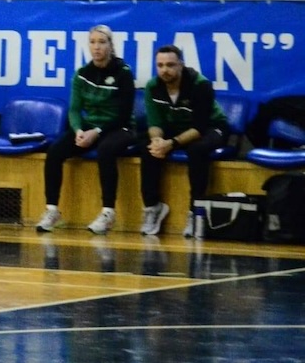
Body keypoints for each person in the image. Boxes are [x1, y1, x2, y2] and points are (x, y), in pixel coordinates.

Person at [35, 25, 137, 235]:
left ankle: (108, 212)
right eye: (92, 42)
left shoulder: (123, 72)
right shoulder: (82, 74)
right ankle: (52, 210)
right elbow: (74, 109)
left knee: (106, 150)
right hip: (90, 127)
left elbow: (124, 114)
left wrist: (96, 132)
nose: (96, 47)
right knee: (54, 151)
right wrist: (78, 130)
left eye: (102, 42)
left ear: (110, 46)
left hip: (120, 126)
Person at [139, 45, 229, 237]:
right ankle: (153, 207)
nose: (165, 70)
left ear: (181, 65)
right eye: (160, 65)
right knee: (148, 149)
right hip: (176, 126)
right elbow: (154, 122)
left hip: (211, 126)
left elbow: (199, 128)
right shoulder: (152, 86)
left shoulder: (200, 85)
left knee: (197, 150)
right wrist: (157, 141)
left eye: (170, 65)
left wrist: (171, 143)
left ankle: (195, 211)